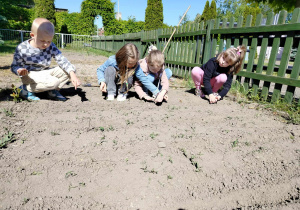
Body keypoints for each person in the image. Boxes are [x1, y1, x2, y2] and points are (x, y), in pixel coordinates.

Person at [11, 18, 81, 101]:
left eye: (49, 41)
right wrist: (19, 70)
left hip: (45, 72)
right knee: (54, 82)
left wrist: (72, 75)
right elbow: (14, 66)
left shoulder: (51, 46)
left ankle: (51, 91)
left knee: (70, 69)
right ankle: (25, 90)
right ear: (32, 35)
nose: (46, 44)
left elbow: (62, 60)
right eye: (42, 40)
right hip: (30, 74)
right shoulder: (22, 48)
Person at [97, 43, 163, 102]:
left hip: (125, 82)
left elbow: (144, 79)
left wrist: (157, 93)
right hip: (114, 80)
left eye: (134, 63)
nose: (133, 65)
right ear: (123, 58)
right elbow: (100, 69)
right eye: (130, 63)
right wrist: (102, 81)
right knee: (109, 69)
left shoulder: (136, 66)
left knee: (130, 72)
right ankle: (111, 92)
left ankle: (123, 92)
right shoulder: (112, 61)